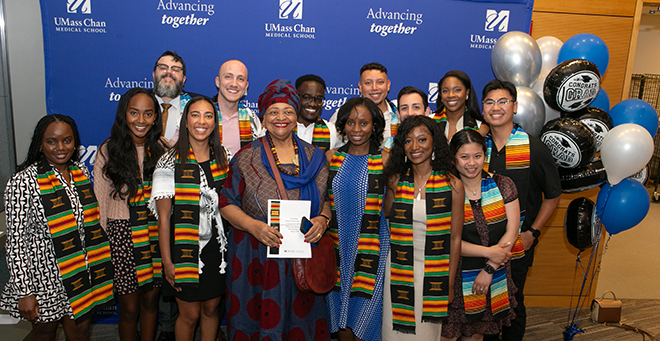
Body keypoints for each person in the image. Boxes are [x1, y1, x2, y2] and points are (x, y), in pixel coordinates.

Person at [218, 79, 331, 340]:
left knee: (300, 327)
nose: (281, 117)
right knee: (255, 323)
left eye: (288, 111)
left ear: (296, 116)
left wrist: (323, 220)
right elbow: (226, 203)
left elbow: (327, 199)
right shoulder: (246, 157)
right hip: (254, 256)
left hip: (302, 258)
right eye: (273, 112)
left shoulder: (315, 157)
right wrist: (253, 226)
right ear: (263, 117)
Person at [1, 114, 114, 341]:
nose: (60, 147)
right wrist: (25, 292)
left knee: (81, 331)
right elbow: (16, 242)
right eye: (51, 141)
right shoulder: (23, 181)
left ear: (75, 143)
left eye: (67, 140)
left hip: (80, 270)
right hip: (44, 278)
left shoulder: (79, 172)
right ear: (40, 144)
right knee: (45, 334)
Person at [480, 80, 561, 341]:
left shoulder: (534, 148)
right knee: (485, 305)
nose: (496, 107)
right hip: (482, 244)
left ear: (514, 106)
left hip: (518, 244)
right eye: (490, 102)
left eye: (503, 101)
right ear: (483, 109)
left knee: (513, 303)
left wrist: (533, 233)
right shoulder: (478, 149)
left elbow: (553, 195)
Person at [150, 96, 230, 341]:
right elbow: (163, 219)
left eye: (208, 115)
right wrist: (167, 262)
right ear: (185, 121)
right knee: (189, 315)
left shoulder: (223, 158)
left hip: (217, 251)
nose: (201, 121)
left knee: (211, 309)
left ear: (215, 123)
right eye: (195, 115)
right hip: (184, 251)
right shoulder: (168, 162)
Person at [381, 115, 464, 340]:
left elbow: (455, 239)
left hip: (433, 274)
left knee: (425, 335)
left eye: (421, 140)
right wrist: (390, 182)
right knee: (392, 333)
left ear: (434, 142)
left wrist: (448, 284)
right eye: (408, 141)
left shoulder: (452, 185)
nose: (415, 147)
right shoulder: (396, 180)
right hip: (397, 269)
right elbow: (387, 213)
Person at [94, 88, 167, 341]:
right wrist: (102, 248)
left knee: (150, 303)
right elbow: (100, 206)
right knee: (129, 308)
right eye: (134, 112)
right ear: (124, 114)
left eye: (148, 114)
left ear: (155, 117)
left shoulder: (163, 149)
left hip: (156, 234)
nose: (141, 120)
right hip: (121, 236)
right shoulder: (108, 150)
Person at [442, 129, 520, 341]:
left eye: (477, 156)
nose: (471, 163)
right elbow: (449, 238)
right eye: (464, 157)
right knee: (445, 336)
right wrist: (490, 253)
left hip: (493, 274)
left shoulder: (504, 184)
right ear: (453, 158)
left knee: (476, 335)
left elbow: (512, 230)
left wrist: (489, 268)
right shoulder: (444, 188)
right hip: (454, 273)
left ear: (484, 156)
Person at [325, 97, 389, 341]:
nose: (356, 129)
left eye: (363, 123)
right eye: (350, 123)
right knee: (342, 323)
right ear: (343, 125)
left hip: (373, 250)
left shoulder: (385, 159)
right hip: (338, 249)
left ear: (374, 126)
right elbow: (322, 200)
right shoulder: (331, 157)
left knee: (365, 320)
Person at [330, 63, 399, 142]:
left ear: (388, 85)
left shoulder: (400, 114)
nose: (374, 88)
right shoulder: (343, 115)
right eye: (368, 83)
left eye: (380, 82)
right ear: (360, 87)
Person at [212, 59, 262, 156]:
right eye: (228, 77)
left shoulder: (252, 119)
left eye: (240, 79)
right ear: (217, 82)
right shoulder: (202, 115)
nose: (234, 84)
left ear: (246, 86)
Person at [152, 51, 200, 147]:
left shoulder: (196, 105)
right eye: (163, 68)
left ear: (183, 79)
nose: (169, 72)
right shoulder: (137, 102)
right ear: (153, 75)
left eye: (175, 69)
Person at [432, 70, 488, 140]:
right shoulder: (429, 122)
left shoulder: (480, 128)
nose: (451, 95)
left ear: (467, 92)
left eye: (457, 90)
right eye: (445, 91)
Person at [294, 74, 342, 151]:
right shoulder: (281, 127)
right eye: (307, 98)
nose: (312, 104)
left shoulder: (333, 132)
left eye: (318, 99)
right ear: (296, 97)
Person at [383, 86, 431, 151]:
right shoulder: (390, 145)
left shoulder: (437, 141)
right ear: (398, 114)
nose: (410, 113)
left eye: (416, 107)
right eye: (404, 108)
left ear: (426, 112)